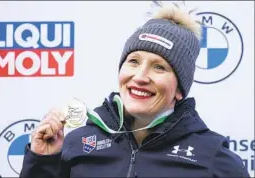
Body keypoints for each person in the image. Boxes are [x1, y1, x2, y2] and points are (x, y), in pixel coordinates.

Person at [20, 2, 250, 178]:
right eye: (133, 61)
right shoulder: (77, 143)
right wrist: (42, 161)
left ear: (179, 89)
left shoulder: (212, 155)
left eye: (159, 67)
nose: (140, 77)